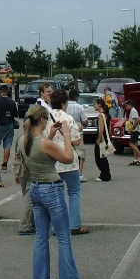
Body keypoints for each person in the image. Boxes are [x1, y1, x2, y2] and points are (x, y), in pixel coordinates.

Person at [15, 105, 91, 279]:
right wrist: (66, 134)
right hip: (51, 189)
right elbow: (68, 158)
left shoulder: (23, 140)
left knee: (41, 236)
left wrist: (50, 134)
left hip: (35, 188)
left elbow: (42, 149)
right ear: (42, 121)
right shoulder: (44, 143)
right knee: (64, 236)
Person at [49, 91, 86, 234]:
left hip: (53, 160)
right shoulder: (68, 119)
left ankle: (56, 226)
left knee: (56, 194)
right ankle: (74, 225)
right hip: (69, 160)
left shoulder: (46, 118)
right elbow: (76, 141)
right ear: (64, 103)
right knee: (74, 191)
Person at [64, 92, 89, 181]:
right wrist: (83, 124)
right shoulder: (79, 107)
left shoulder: (65, 107)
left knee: (68, 152)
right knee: (81, 154)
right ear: (76, 98)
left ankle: (68, 172)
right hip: (78, 132)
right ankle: (80, 173)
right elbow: (85, 121)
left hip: (66, 132)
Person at [0, 84, 18, 171]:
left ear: (0, 91)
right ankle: (4, 165)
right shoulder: (12, 102)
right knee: (7, 145)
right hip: (9, 125)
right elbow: (15, 114)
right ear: (7, 92)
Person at [92, 98, 112, 182]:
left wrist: (99, 139)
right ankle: (106, 174)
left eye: (95, 104)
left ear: (99, 105)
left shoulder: (100, 115)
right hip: (106, 138)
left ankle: (104, 175)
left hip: (101, 138)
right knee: (103, 157)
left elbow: (101, 129)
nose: (94, 106)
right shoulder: (107, 114)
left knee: (99, 158)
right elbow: (109, 128)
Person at [123, 99, 140, 165]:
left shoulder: (133, 111)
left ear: (130, 105)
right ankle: (135, 159)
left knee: (131, 144)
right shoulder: (132, 111)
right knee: (134, 144)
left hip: (135, 130)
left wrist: (132, 127)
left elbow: (138, 120)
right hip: (134, 130)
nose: (126, 107)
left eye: (127, 105)